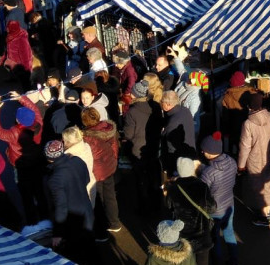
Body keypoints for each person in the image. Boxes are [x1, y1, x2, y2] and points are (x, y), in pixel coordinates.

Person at [0, 93, 46, 225]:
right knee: (39, 191)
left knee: (26, 195)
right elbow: (35, 110)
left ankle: (32, 223)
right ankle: (45, 218)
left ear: (19, 121)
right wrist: (21, 98)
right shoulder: (39, 123)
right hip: (36, 162)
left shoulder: (13, 133)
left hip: (20, 167)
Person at [166, 156, 216, 265]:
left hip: (183, 233)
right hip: (202, 232)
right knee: (202, 263)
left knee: (185, 261)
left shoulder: (173, 188)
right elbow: (212, 207)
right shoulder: (202, 186)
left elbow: (169, 206)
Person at [198, 131, 240, 265]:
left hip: (214, 211)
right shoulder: (231, 161)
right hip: (229, 204)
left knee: (215, 242)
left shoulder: (209, 172)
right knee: (229, 233)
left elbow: (203, 193)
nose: (202, 152)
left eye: (204, 150)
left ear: (211, 152)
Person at [43, 139, 94, 264]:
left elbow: (61, 207)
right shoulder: (78, 160)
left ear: (49, 158)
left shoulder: (54, 179)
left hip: (73, 222)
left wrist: (57, 233)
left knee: (77, 257)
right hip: (87, 212)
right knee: (90, 249)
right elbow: (87, 180)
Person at [123, 79, 164, 215]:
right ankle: (157, 206)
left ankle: (144, 210)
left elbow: (128, 135)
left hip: (138, 150)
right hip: (154, 147)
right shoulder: (156, 106)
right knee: (154, 179)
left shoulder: (132, 112)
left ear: (135, 95)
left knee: (141, 181)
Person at [80, 106, 122, 238]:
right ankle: (115, 223)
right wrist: (113, 160)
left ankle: (102, 227)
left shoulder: (87, 137)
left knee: (98, 199)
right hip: (109, 167)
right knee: (110, 196)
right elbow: (115, 147)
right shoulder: (109, 128)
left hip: (96, 172)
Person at [239, 91, 270, 227]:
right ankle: (267, 213)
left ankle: (265, 217)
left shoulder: (248, 123)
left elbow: (245, 147)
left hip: (254, 159)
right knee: (268, 184)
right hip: (269, 155)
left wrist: (241, 165)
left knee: (258, 186)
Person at [161, 89, 196, 174]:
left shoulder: (173, 122)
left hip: (180, 161)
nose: (160, 103)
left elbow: (171, 147)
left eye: (161, 102)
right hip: (190, 153)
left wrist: (168, 167)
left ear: (168, 104)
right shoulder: (185, 110)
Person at [0, 20, 34, 92]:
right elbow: (8, 50)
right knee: (22, 83)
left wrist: (27, 69)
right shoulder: (10, 36)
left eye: (8, 27)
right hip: (15, 65)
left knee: (27, 85)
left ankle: (30, 98)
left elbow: (26, 54)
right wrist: (3, 59)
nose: (7, 29)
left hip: (22, 67)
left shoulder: (21, 38)